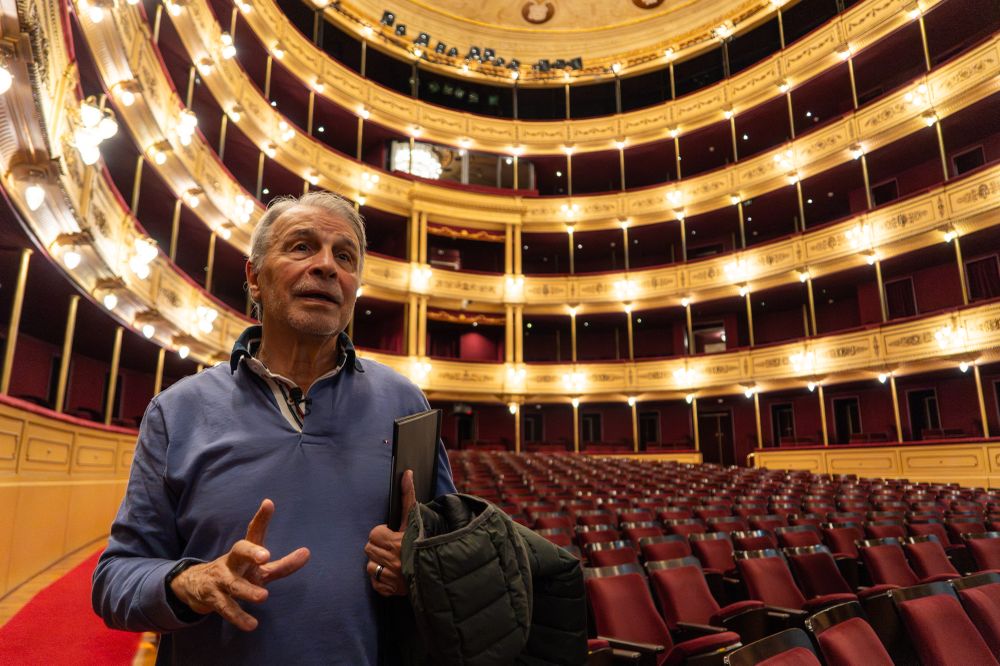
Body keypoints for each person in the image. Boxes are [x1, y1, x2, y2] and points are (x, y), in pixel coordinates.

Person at [92, 191, 455, 665]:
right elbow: (115, 579)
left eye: (344, 256)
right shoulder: (176, 410)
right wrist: (191, 582)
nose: (326, 266)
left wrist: (419, 569)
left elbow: (453, 558)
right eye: (302, 247)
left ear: (354, 287)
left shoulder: (405, 404)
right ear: (254, 278)